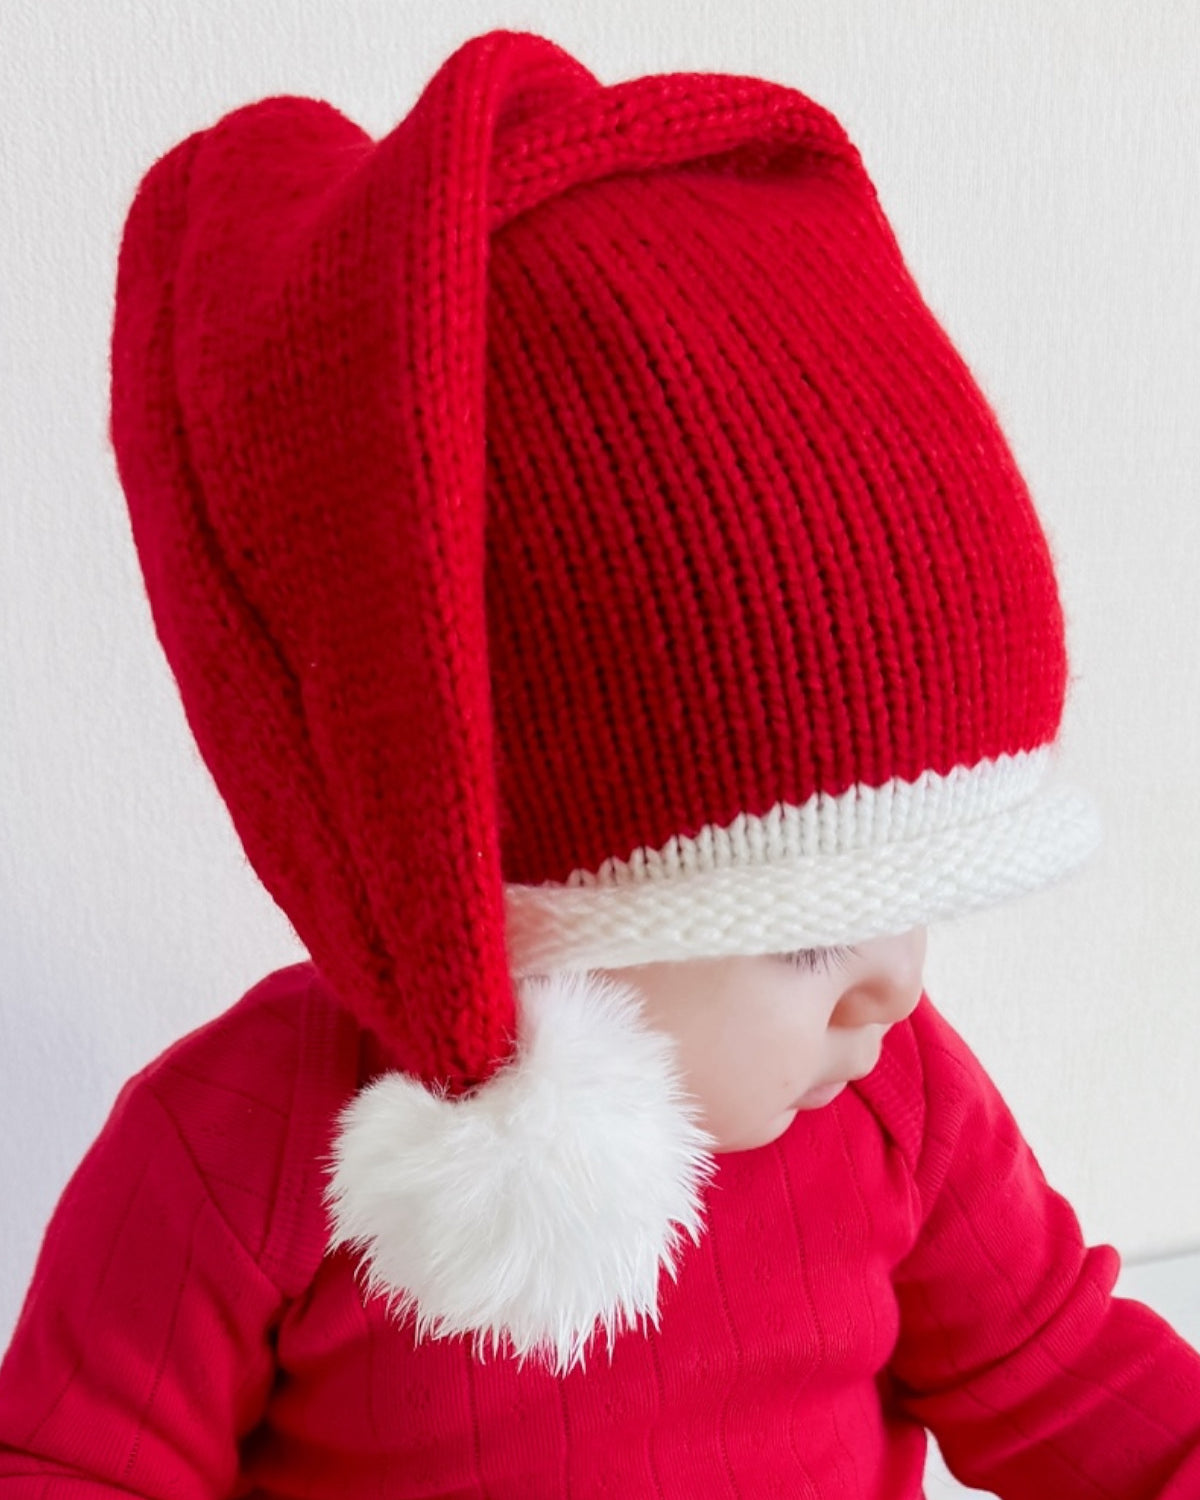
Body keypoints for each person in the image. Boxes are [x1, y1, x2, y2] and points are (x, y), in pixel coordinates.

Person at [1, 24, 1198, 1498]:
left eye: (911, 900)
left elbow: (1071, 1381)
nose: (899, 985)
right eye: (805, 933)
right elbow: (73, 1463)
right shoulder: (239, 1152)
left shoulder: (902, 1108)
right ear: (495, 900)